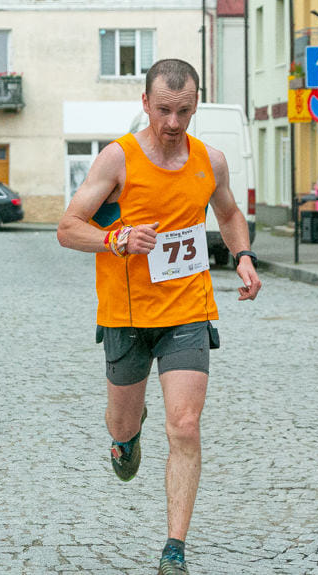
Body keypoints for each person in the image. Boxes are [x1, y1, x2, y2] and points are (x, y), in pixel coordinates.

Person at [57, 59, 262, 574]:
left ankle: (174, 548)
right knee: (122, 423)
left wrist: (242, 257)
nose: (174, 122)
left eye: (185, 110)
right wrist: (115, 238)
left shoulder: (209, 161)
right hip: (126, 315)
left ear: (196, 105)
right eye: (165, 109)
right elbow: (67, 227)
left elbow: (230, 212)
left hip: (188, 309)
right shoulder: (117, 159)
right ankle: (127, 438)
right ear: (145, 104)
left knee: (186, 425)